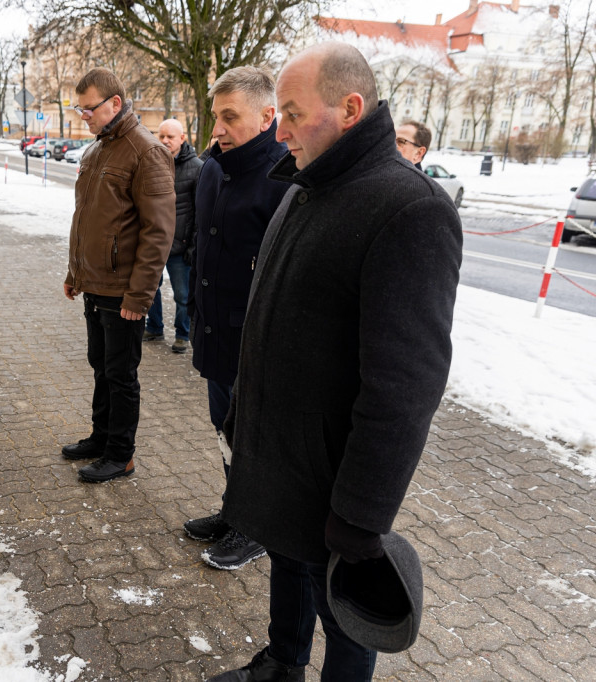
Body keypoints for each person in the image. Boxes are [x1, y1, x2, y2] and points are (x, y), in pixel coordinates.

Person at [207, 43, 461, 681]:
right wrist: (244, 415)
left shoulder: (410, 209)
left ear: (349, 109)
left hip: (335, 478)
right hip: (279, 452)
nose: (280, 127)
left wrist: (361, 516)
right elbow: (270, 319)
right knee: (285, 567)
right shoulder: (305, 185)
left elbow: (404, 388)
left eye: (291, 111)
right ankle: (281, 663)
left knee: (344, 609)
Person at [183, 66, 291, 570]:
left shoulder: (285, 180)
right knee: (223, 431)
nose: (218, 128)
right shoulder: (211, 169)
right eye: (215, 115)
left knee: (253, 443)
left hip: (258, 347)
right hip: (215, 334)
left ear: (268, 116)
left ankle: (255, 529)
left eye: (231, 117)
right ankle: (233, 511)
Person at [61, 68, 176, 483]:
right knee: (101, 366)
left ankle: (120, 454)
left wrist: (139, 296)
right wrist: (76, 271)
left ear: (114, 103)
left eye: (88, 108)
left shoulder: (146, 151)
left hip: (124, 290)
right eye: (79, 108)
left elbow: (159, 232)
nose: (82, 116)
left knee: (121, 374)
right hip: (95, 284)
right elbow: (86, 218)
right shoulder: (96, 151)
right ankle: (101, 437)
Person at [145, 119, 203, 354]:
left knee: (182, 294)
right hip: (155, 243)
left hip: (181, 245)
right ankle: (155, 327)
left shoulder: (197, 167)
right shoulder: (151, 164)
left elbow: (200, 211)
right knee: (150, 288)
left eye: (171, 136)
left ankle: (181, 334)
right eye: (162, 136)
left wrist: (192, 245)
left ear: (182, 139)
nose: (166, 141)